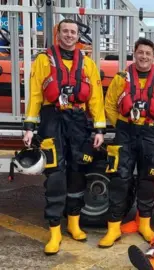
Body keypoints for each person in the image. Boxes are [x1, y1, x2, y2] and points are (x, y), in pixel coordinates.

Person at [22, 18, 106, 255]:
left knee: (78, 171)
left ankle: (74, 223)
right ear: (58, 33)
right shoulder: (43, 60)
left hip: (78, 121)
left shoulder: (87, 63)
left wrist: (99, 129)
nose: (69, 35)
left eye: (73, 32)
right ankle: (55, 230)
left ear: (78, 36)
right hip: (52, 120)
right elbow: (36, 94)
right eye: (65, 31)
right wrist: (29, 126)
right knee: (56, 174)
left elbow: (96, 99)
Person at [101, 37, 154, 248]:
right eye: (140, 52)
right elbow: (109, 105)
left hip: (152, 134)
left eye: (148, 53)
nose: (144, 56)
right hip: (125, 132)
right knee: (119, 179)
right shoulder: (120, 79)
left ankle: (144, 223)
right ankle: (113, 228)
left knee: (148, 180)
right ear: (134, 53)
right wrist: (122, 125)